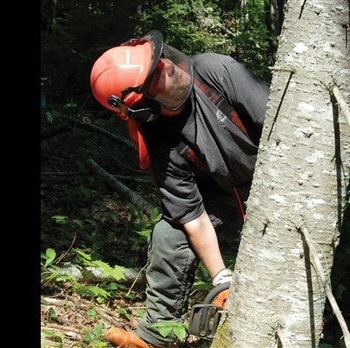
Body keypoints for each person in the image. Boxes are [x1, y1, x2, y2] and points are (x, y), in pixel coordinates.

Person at [89, 29, 269, 348]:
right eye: (155, 75)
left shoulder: (216, 71)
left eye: (160, 61)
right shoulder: (161, 141)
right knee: (169, 233)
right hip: (223, 190)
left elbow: (278, 123)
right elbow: (191, 214)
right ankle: (156, 336)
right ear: (145, 108)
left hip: (272, 176)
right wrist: (220, 278)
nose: (167, 67)